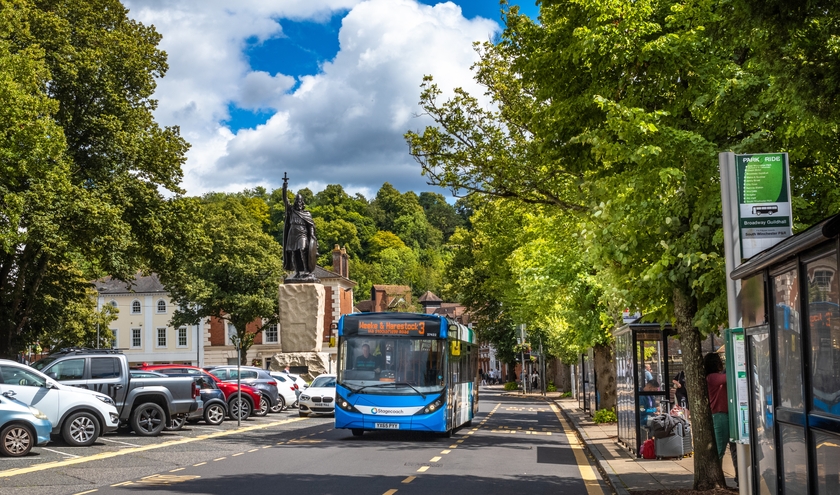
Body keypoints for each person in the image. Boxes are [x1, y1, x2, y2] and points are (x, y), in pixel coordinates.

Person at [705, 352, 738, 485]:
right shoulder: (712, 377)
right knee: (720, 449)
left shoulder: (713, 377)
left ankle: (738, 476)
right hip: (720, 415)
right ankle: (714, 478)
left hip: (725, 414)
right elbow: (728, 378)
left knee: (735, 448)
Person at [282, 174, 318, 279]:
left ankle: (307, 270)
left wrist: (312, 236)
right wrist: (285, 187)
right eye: (296, 201)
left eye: (300, 201)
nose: (298, 203)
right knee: (294, 253)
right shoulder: (291, 210)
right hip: (292, 233)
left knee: (303, 249)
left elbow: (311, 225)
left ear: (302, 203)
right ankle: (297, 272)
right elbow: (285, 199)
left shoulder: (307, 214)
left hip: (302, 233)